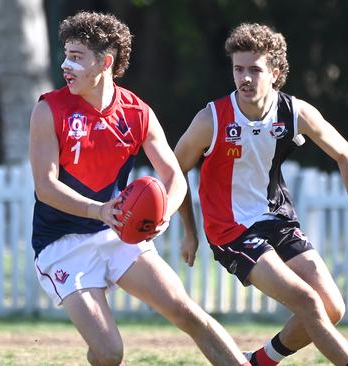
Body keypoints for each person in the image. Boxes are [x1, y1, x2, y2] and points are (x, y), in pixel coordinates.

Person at [29, 11, 250, 366]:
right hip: (62, 244)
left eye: (77, 57)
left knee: (186, 312)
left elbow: (174, 176)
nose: (66, 66)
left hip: (117, 235)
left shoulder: (136, 113)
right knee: (109, 352)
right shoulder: (49, 109)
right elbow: (45, 187)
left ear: (105, 62)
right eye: (66, 55)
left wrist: (164, 210)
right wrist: (98, 210)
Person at [174, 23, 348, 366]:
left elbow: (346, 155)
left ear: (274, 72)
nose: (244, 78)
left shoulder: (293, 112)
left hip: (277, 219)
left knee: (332, 307)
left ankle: (258, 362)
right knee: (307, 301)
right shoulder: (211, 119)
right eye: (238, 69)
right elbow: (174, 169)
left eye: (254, 70)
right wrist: (189, 232)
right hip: (230, 230)